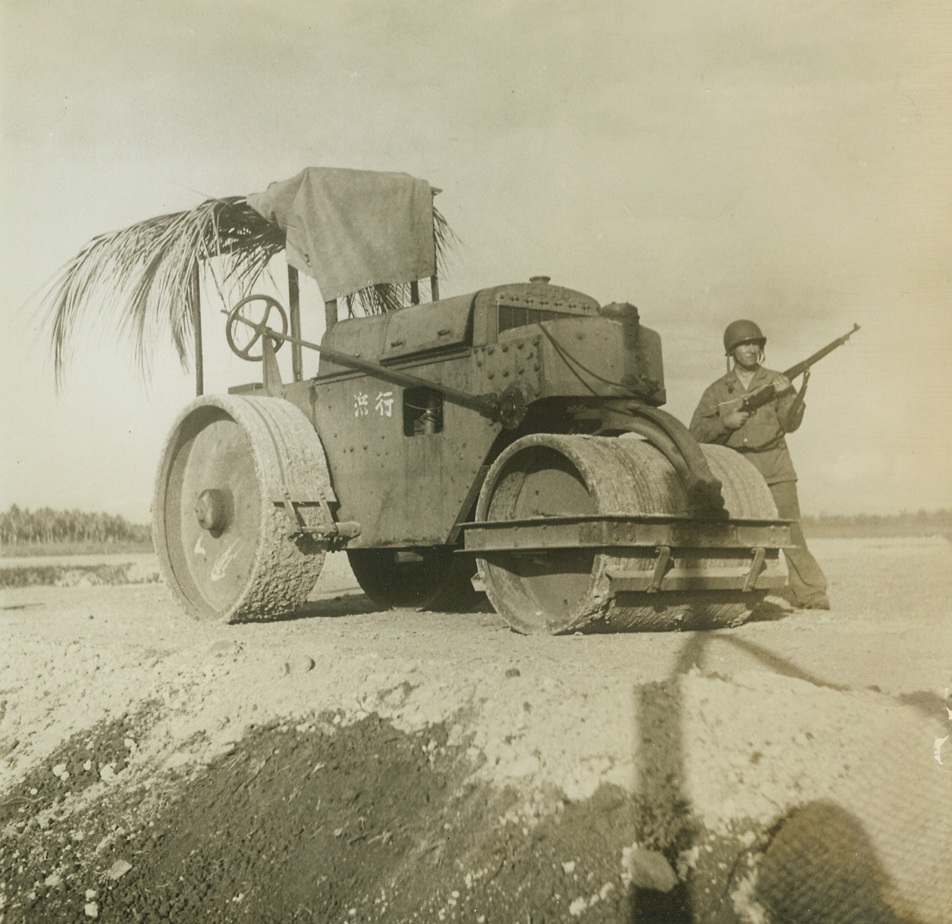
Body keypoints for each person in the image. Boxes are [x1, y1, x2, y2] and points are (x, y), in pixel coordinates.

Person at [689, 319, 830, 610]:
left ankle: (812, 594)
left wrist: (788, 396)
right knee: (733, 534)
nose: (751, 349)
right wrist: (725, 422)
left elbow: (791, 425)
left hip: (775, 466)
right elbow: (695, 434)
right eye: (744, 344)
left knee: (790, 532)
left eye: (756, 344)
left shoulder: (777, 380)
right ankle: (732, 595)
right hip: (737, 473)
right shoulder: (716, 391)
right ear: (732, 351)